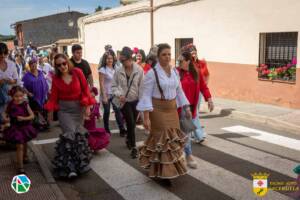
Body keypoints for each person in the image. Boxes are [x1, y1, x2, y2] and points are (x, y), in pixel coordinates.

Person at [137, 43, 191, 185]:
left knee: (172, 140)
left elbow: (179, 90)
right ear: (158, 56)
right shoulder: (151, 74)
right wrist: (146, 118)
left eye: (169, 54)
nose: (167, 57)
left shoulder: (174, 72)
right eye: (164, 54)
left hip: (172, 109)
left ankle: (164, 169)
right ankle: (165, 174)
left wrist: (186, 108)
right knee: (163, 139)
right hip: (158, 110)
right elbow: (146, 95)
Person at [45, 53, 95, 178]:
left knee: (77, 136)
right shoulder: (56, 79)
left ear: (67, 62)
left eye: (64, 63)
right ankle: (70, 168)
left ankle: (79, 165)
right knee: (69, 135)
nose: (62, 66)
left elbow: (85, 89)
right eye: (59, 65)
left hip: (78, 109)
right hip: (64, 111)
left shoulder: (77, 72)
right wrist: (50, 112)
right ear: (56, 67)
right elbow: (53, 97)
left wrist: (88, 106)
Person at [177, 51, 214, 169]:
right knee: (179, 134)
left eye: (181, 61)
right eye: (178, 61)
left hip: (190, 108)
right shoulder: (176, 72)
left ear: (188, 61)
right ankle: (182, 156)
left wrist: (209, 99)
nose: (179, 63)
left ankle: (187, 156)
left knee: (186, 133)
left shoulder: (196, 72)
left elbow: (203, 87)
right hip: (178, 107)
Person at [112, 47, 144, 159]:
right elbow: (113, 86)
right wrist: (119, 94)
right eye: (121, 61)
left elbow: (142, 87)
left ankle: (129, 139)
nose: (122, 63)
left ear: (130, 58)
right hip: (124, 102)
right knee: (130, 123)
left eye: (124, 60)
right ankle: (134, 147)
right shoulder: (118, 70)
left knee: (132, 124)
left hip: (135, 101)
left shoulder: (139, 70)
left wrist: (141, 104)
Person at [2, 86, 37, 174]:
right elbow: (5, 113)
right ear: (12, 96)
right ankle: (20, 167)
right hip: (15, 128)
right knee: (20, 145)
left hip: (25, 127)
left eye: (21, 96)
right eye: (16, 96)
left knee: (24, 143)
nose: (19, 98)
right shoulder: (10, 104)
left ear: (23, 95)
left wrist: (24, 118)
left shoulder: (25, 104)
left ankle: (25, 156)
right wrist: (5, 119)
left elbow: (32, 116)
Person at [99, 49, 126, 136]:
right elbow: (101, 83)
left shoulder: (116, 68)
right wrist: (104, 96)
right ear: (105, 59)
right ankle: (106, 130)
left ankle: (122, 129)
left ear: (113, 59)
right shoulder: (102, 69)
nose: (109, 60)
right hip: (106, 93)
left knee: (117, 111)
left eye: (111, 58)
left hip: (115, 93)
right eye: (107, 58)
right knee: (106, 112)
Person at [22, 57, 49, 130]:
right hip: (33, 96)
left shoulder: (40, 73)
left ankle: (45, 124)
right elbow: (22, 86)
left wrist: (47, 91)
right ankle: (38, 126)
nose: (33, 66)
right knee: (36, 111)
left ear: (36, 64)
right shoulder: (26, 76)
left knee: (44, 110)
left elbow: (44, 82)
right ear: (29, 66)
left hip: (43, 95)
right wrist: (28, 93)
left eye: (35, 64)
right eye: (32, 65)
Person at [0, 43, 20, 123]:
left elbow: (16, 79)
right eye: (0, 53)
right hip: (1, 99)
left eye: (4, 53)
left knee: (11, 119)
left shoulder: (11, 64)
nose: (2, 55)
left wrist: (11, 81)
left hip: (11, 96)